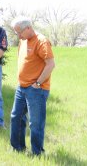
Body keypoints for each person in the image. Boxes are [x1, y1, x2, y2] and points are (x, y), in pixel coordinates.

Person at [10, 16, 55, 155]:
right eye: (16, 32)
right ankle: (17, 148)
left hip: (36, 89)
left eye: (19, 32)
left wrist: (38, 83)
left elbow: (50, 64)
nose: (18, 35)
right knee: (16, 117)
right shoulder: (23, 41)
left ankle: (37, 153)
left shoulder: (42, 41)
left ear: (28, 28)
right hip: (21, 87)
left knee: (35, 123)